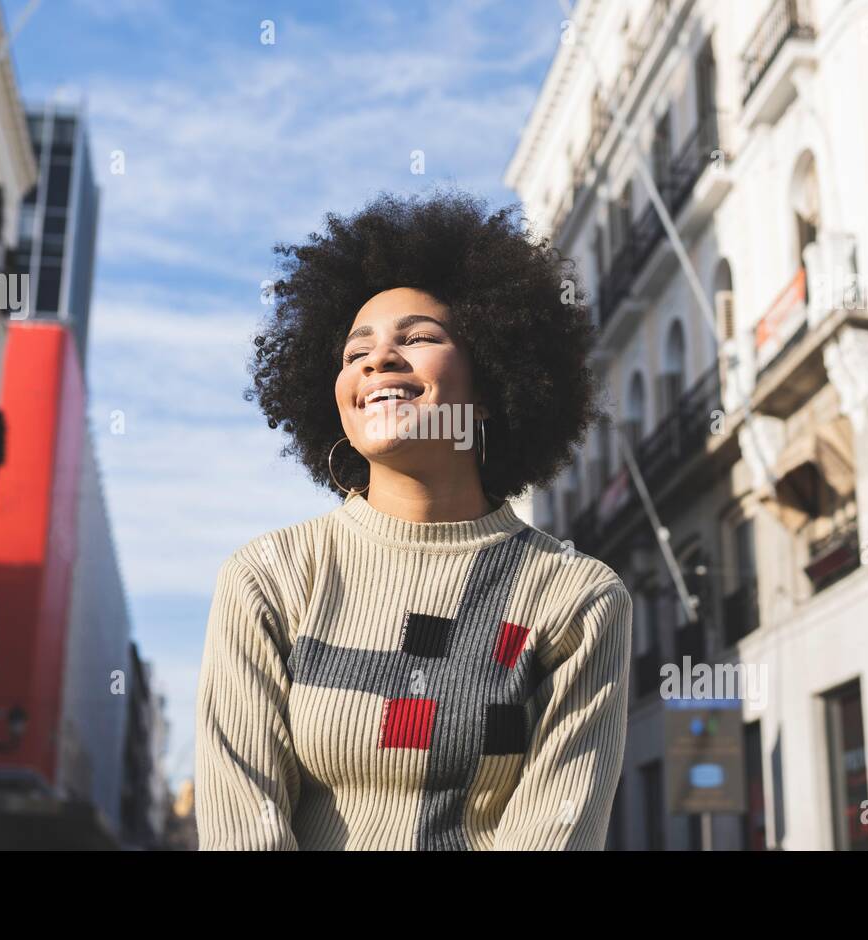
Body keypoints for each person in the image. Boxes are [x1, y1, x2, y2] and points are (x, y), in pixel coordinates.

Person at [194, 187, 632, 850]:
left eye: (419, 337)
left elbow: (557, 830)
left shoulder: (577, 598)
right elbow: (242, 826)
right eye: (354, 352)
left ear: (487, 385)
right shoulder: (267, 578)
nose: (377, 360)